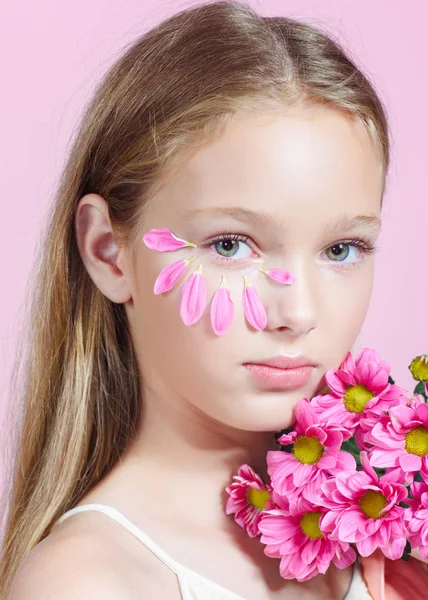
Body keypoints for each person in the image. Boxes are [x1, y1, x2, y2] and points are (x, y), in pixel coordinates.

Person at [1, 1, 427, 598]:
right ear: (107, 251)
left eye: (342, 249)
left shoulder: (389, 534)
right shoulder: (89, 583)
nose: (299, 314)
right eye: (231, 244)